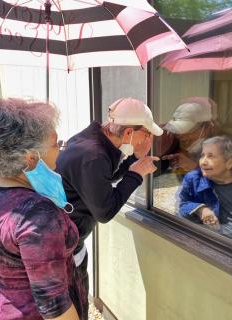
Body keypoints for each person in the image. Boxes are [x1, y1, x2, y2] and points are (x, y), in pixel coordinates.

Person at [56, 97, 162, 315]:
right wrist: (136, 174)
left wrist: (133, 161)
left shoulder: (94, 140)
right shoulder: (93, 155)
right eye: (147, 133)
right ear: (129, 133)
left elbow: (104, 177)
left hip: (68, 235)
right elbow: (105, 211)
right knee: (76, 308)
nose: (149, 138)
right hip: (64, 248)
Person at [0, 98, 86, 319]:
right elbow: (55, 308)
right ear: (31, 158)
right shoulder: (37, 216)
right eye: (56, 144)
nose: (60, 150)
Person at [179, 136, 232, 240]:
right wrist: (201, 210)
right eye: (202, 155)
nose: (203, 162)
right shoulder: (193, 179)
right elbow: (182, 206)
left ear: (230, 162)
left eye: (211, 156)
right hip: (208, 240)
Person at [155, 97, 220, 175]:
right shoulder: (162, 136)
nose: (180, 135)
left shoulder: (218, 141)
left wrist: (194, 167)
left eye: (187, 130)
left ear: (207, 127)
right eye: (176, 129)